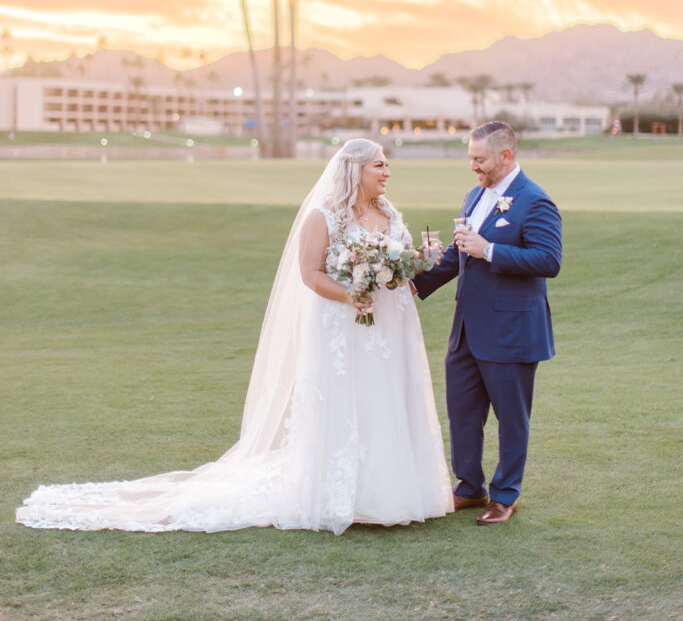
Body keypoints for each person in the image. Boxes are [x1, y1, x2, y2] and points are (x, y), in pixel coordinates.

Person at [16, 139, 453, 534]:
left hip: (389, 327)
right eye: (379, 164)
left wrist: (415, 263)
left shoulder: (390, 213)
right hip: (343, 326)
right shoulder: (323, 217)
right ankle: (345, 495)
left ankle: (390, 490)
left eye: (386, 165)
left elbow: (400, 266)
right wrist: (349, 296)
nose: (387, 172)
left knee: (383, 399)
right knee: (346, 401)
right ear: (354, 170)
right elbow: (309, 274)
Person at [413, 121, 562, 525]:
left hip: (511, 331)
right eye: (470, 158)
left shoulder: (535, 201)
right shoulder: (474, 195)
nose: (473, 167)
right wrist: (409, 282)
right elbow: (459, 256)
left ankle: (505, 495)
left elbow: (550, 261)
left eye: (479, 159)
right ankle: (469, 487)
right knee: (462, 411)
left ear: (506, 156)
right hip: (465, 329)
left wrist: (491, 250)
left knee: (511, 418)